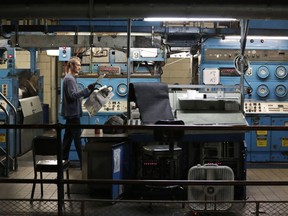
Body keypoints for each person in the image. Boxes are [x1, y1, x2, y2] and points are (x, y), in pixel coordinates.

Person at [61, 56, 95, 168]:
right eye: (78, 65)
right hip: (73, 115)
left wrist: (88, 92)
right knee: (78, 141)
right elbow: (72, 96)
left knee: (67, 141)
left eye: (80, 65)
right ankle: (84, 166)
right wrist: (86, 90)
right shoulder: (70, 79)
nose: (80, 67)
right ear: (71, 65)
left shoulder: (70, 78)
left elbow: (77, 97)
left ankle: (62, 164)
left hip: (71, 114)